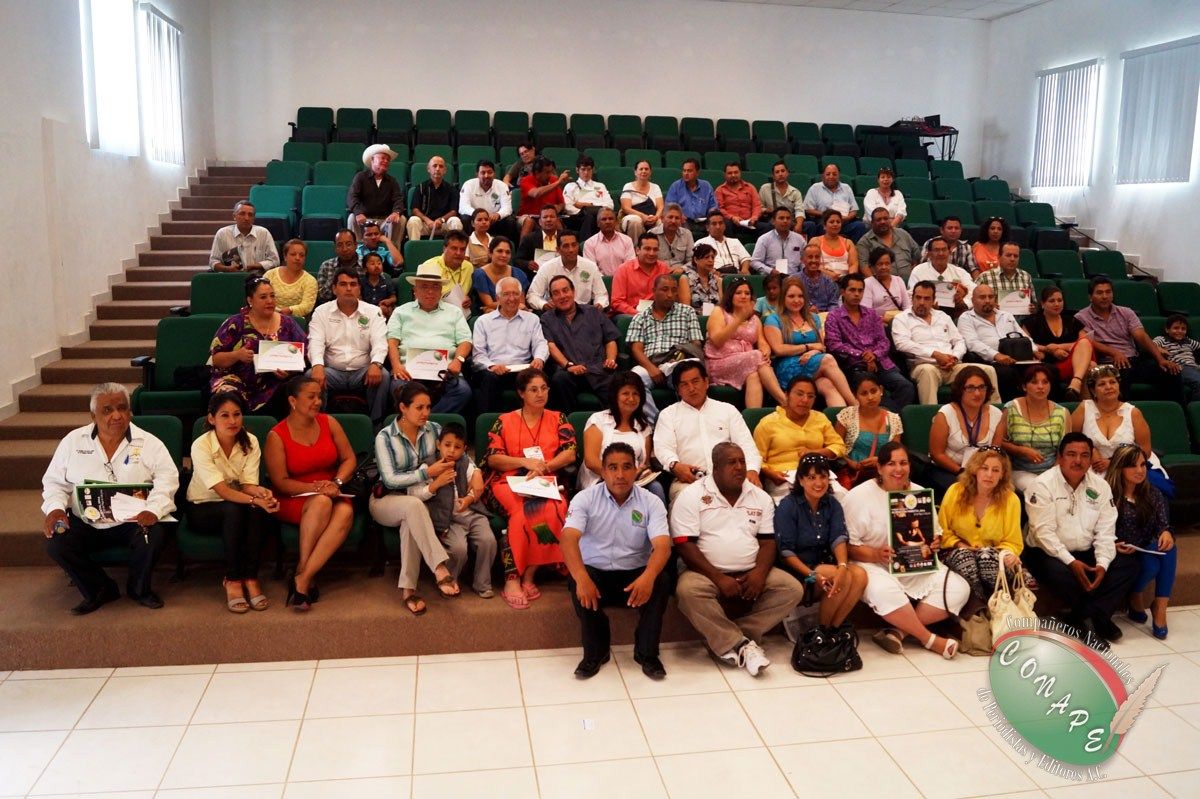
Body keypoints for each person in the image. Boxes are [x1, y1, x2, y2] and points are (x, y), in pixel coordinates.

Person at [41, 383, 179, 614]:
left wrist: (154, 509)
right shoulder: (73, 441)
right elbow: (55, 482)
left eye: (122, 408)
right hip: (86, 520)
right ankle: (100, 589)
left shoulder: (149, 443)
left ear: (130, 412)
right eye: (107, 410)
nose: (116, 415)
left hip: (134, 520)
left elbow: (168, 479)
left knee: (153, 536)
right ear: (93, 416)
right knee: (56, 543)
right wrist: (55, 509)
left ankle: (138, 589)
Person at [671, 443, 805, 676]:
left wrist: (759, 573)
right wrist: (718, 578)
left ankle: (730, 638)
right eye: (731, 462)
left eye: (742, 461)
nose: (739, 467)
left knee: (792, 589)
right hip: (705, 572)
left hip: (751, 569)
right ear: (716, 467)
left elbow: (768, 541)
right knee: (687, 592)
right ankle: (742, 644)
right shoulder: (691, 495)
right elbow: (685, 545)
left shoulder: (760, 497)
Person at [844, 441, 968, 657]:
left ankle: (898, 632)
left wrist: (934, 542)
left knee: (959, 588)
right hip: (872, 563)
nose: (898, 469)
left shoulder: (919, 494)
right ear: (879, 468)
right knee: (884, 591)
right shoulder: (858, 496)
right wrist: (875, 554)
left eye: (903, 463)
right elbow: (848, 546)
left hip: (914, 563)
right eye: (891, 464)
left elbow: (935, 533)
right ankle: (929, 639)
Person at [562, 442, 673, 679]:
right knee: (578, 578)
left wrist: (648, 577)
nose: (620, 474)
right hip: (596, 574)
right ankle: (596, 653)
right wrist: (581, 578)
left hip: (635, 578)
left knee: (661, 580)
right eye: (612, 467)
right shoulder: (584, 499)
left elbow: (663, 545)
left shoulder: (651, 502)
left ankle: (647, 654)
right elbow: (568, 539)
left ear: (636, 470)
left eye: (626, 467)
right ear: (603, 471)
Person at [1024, 433, 1140, 643]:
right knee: (1061, 574)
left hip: (1086, 550)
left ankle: (1087, 616)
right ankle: (1093, 620)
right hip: (1048, 552)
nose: (1078, 460)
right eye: (1071, 454)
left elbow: (1106, 531)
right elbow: (1044, 534)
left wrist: (1103, 563)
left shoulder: (1100, 486)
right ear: (1060, 458)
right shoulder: (1042, 485)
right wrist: (1071, 562)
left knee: (1128, 564)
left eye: (1084, 455)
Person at [370, 383, 469, 615]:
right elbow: (390, 480)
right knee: (412, 506)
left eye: (428, 407)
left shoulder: (434, 430)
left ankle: (408, 591)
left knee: (411, 516)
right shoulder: (385, 437)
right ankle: (439, 567)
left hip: (421, 498)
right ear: (403, 408)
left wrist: (473, 476)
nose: (426, 413)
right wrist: (427, 473)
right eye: (419, 407)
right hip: (386, 500)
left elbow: (457, 455)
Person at [482, 368, 577, 609]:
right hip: (507, 481)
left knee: (556, 508)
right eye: (533, 389)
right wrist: (524, 462)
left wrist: (545, 466)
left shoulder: (559, 418)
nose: (540, 394)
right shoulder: (504, 421)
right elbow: (493, 459)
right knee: (523, 512)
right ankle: (512, 578)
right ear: (521, 393)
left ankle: (529, 574)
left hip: (545, 480)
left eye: (544, 388)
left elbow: (570, 453)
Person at [264, 377, 356, 612]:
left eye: (319, 396)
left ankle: (303, 576)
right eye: (311, 397)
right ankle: (306, 573)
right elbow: (280, 482)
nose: (318, 401)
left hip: (331, 489)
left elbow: (349, 459)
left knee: (345, 511)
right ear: (293, 401)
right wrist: (316, 489)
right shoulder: (277, 435)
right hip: (293, 496)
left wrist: (336, 482)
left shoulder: (329, 422)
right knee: (322, 502)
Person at [187, 392, 277, 612]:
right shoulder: (201, 445)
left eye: (237, 414)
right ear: (211, 418)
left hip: (237, 504)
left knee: (254, 510)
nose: (232, 421)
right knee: (236, 508)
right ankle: (233, 579)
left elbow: (247, 485)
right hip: (202, 508)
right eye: (225, 415)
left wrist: (262, 493)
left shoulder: (251, 441)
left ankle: (251, 577)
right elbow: (223, 491)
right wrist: (254, 500)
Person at [405, 421, 496, 600]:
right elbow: (413, 493)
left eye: (457, 447)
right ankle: (450, 579)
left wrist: (468, 499)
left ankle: (482, 583)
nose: (452, 451)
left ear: (464, 449)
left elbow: (475, 488)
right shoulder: (428, 465)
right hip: (450, 520)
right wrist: (435, 485)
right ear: (438, 445)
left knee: (488, 541)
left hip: (472, 514)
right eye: (447, 445)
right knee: (458, 549)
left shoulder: (466, 464)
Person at [775, 455, 869, 628]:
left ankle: (834, 630)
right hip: (800, 572)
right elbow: (786, 553)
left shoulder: (833, 504)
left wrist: (842, 565)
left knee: (860, 575)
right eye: (811, 477)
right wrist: (813, 575)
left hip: (824, 565)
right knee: (840, 576)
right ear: (801, 480)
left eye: (823, 476)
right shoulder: (788, 506)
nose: (818, 483)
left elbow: (838, 538)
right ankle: (822, 630)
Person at [655, 361, 761, 501]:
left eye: (695, 381)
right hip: (689, 481)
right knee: (690, 502)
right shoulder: (668, 415)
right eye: (684, 384)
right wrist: (674, 465)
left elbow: (746, 445)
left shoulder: (727, 410)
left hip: (730, 478)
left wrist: (752, 470)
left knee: (758, 500)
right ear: (678, 390)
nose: (691, 388)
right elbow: (663, 447)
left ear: (706, 382)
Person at [1105, 444, 1176, 640]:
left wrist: (1166, 532)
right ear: (1119, 468)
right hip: (1120, 552)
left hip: (1144, 547)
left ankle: (1160, 607)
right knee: (1152, 566)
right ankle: (1134, 595)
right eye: (1132, 466)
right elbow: (1096, 530)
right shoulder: (1107, 493)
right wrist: (1112, 544)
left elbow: (1163, 524)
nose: (1140, 470)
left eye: (1143, 465)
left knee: (1169, 547)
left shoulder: (1152, 492)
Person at [209, 276, 308, 415]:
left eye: (272, 296)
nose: (270, 301)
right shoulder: (235, 323)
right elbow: (215, 359)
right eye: (263, 297)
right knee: (227, 395)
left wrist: (288, 371)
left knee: (295, 391)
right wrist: (237, 355)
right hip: (236, 380)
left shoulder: (288, 323)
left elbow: (304, 354)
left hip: (275, 384)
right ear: (250, 300)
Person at [892, 281, 999, 405]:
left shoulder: (942, 316)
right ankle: (931, 414)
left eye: (927, 298)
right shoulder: (902, 318)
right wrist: (936, 355)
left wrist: (954, 357)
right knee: (927, 371)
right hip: (923, 365)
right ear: (912, 298)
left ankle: (995, 412)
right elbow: (902, 343)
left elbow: (959, 340)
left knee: (988, 370)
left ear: (933, 300)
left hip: (952, 366)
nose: (922, 302)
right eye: (918, 297)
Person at [385, 263, 473, 414]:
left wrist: (458, 361)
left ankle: (426, 420)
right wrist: (396, 365)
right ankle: (423, 420)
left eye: (435, 287)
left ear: (441, 291)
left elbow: (465, 341)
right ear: (415, 290)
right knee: (397, 388)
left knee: (463, 391)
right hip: (408, 371)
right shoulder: (401, 312)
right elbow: (391, 341)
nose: (430, 291)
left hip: (445, 372)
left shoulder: (455, 312)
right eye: (424, 287)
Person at [937, 449, 1023, 603]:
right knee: (965, 557)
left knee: (985, 557)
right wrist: (960, 545)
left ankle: (994, 603)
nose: (989, 474)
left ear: (1002, 474)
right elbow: (942, 530)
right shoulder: (955, 491)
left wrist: (1008, 554)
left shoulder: (1011, 500)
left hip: (994, 555)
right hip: (958, 551)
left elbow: (1013, 542)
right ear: (975, 469)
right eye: (984, 468)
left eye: (995, 470)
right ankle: (981, 603)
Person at [1075, 276, 1181, 399]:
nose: (1105, 296)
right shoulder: (1081, 317)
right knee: (1121, 377)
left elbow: (1141, 336)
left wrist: (1160, 359)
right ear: (1090, 297)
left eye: (1108, 292)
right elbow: (1087, 342)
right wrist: (1114, 353)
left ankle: (1176, 410)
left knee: (1171, 372)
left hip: (1134, 360)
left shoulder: (1126, 312)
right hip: (1107, 364)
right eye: (1099, 293)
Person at [308, 267, 391, 423]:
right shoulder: (321, 312)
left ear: (359, 289)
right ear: (334, 289)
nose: (348, 288)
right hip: (332, 371)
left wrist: (376, 364)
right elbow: (316, 342)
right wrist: (317, 365)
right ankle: (317, 424)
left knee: (384, 375)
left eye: (353, 284)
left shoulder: (373, 311)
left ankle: (376, 424)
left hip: (363, 371)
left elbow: (380, 342)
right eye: (343, 284)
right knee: (310, 377)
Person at [824, 273, 917, 413]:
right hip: (855, 366)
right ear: (843, 291)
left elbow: (883, 341)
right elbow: (834, 344)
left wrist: (874, 355)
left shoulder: (872, 314)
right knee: (874, 393)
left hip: (881, 362)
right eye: (852, 290)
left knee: (906, 387)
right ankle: (885, 419)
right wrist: (862, 355)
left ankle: (890, 419)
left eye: (860, 290)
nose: (857, 294)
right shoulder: (834, 317)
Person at [763, 276, 856, 407]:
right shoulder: (774, 319)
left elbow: (821, 346)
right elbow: (779, 349)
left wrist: (813, 352)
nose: (797, 300)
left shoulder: (813, 318)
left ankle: (841, 418)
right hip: (788, 368)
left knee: (828, 385)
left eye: (800, 296)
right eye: (791, 296)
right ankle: (855, 405)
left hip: (813, 362)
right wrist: (808, 347)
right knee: (828, 360)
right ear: (783, 298)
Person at [753, 376, 847, 500]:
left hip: (817, 474)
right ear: (787, 395)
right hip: (784, 477)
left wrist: (815, 453)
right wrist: (770, 473)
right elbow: (755, 457)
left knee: (843, 497)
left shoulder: (820, 418)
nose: (805, 400)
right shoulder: (768, 423)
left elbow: (839, 446)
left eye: (810, 396)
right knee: (799, 503)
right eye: (799, 394)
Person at [1073, 365, 1169, 485]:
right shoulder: (1084, 408)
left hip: (1128, 466)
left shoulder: (1133, 412)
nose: (1108, 387)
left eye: (1112, 382)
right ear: (1093, 391)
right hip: (1094, 467)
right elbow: (1070, 440)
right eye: (1102, 384)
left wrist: (1114, 462)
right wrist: (1090, 450)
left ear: (1118, 386)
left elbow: (1145, 450)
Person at [579, 372, 665, 504]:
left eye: (635, 394)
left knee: (656, 487)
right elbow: (591, 461)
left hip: (635, 481)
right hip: (601, 479)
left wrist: (641, 472)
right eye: (625, 393)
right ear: (615, 396)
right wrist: (619, 477)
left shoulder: (644, 426)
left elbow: (645, 463)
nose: (631, 398)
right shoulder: (598, 420)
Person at [705, 276, 787, 408]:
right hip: (719, 362)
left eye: (747, 293)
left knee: (754, 375)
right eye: (738, 293)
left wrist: (765, 351)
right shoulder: (719, 312)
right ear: (730, 295)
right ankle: (784, 401)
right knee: (756, 356)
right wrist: (739, 319)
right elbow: (717, 340)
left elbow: (762, 342)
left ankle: (752, 417)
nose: (743, 296)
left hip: (746, 362)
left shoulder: (754, 319)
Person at [541, 275, 620, 409]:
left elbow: (610, 339)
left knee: (617, 385)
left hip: (598, 369)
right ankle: (568, 421)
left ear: (573, 291)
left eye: (565, 290)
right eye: (556, 293)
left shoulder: (593, 312)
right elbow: (551, 346)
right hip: (569, 372)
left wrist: (611, 359)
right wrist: (568, 365)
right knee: (559, 379)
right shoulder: (547, 319)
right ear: (552, 298)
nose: (562, 296)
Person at [472, 276, 549, 412]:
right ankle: (491, 422)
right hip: (494, 371)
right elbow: (479, 355)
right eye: (506, 294)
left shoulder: (532, 319)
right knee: (489, 379)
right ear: (498, 297)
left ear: (521, 296)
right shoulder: (483, 321)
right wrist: (492, 366)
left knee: (539, 377)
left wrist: (539, 358)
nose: (512, 298)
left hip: (522, 371)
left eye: (515, 294)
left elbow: (540, 343)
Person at [927, 366, 1004, 496]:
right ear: (960, 390)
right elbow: (937, 454)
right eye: (970, 388)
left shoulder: (996, 414)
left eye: (982, 387)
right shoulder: (946, 413)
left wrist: (982, 473)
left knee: (1005, 491)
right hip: (948, 470)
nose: (977, 393)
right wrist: (962, 471)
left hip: (983, 471)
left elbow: (994, 453)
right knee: (965, 491)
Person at [627, 275, 703, 406]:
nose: (670, 295)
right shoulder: (640, 317)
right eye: (665, 289)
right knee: (634, 381)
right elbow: (636, 349)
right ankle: (653, 417)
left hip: (678, 361)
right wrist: (651, 369)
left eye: (674, 290)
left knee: (688, 376)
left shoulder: (687, 312)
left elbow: (696, 343)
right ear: (654, 291)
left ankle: (686, 416)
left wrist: (682, 356)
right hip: (650, 363)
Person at [997, 364, 1072, 494]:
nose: (1040, 386)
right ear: (1024, 386)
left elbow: (1065, 449)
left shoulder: (1062, 412)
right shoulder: (1011, 408)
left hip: (1053, 469)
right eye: (1034, 382)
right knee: (1038, 489)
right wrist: (1022, 450)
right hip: (1020, 470)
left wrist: (1055, 473)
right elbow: (999, 442)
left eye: (1045, 382)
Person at [958, 283, 1039, 400]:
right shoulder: (966, 318)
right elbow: (972, 343)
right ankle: (1012, 407)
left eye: (990, 297)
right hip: (989, 362)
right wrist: (996, 355)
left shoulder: (1006, 315)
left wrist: (1034, 350)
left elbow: (1023, 336)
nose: (987, 300)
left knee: (1048, 369)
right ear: (973, 300)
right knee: (1007, 373)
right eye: (982, 297)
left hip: (1018, 359)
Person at [1023, 284, 1093, 400]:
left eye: (1060, 300)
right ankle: (1083, 401)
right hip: (1048, 364)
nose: (1057, 304)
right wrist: (1049, 350)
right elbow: (1026, 344)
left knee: (1085, 344)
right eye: (1052, 301)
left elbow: (1086, 341)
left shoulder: (1071, 320)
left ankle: (1076, 383)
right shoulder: (1032, 321)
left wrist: (1058, 346)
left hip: (1073, 361)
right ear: (1042, 303)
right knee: (1090, 366)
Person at [834, 374, 904, 488]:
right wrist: (851, 463)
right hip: (851, 476)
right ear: (855, 395)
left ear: (881, 390)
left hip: (884, 476)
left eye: (873, 391)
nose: (870, 397)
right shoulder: (846, 415)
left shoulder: (894, 419)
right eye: (864, 393)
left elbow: (896, 454)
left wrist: (880, 461)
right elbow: (835, 449)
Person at [526, 230, 607, 310]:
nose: (571, 250)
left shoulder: (590, 266)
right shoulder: (547, 267)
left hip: (583, 312)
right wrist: (544, 304)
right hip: (556, 312)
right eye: (566, 246)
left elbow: (601, 294)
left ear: (578, 246)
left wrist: (599, 304)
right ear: (558, 250)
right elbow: (532, 295)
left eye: (574, 245)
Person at [610, 234, 688, 316]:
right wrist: (638, 314)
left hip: (659, 313)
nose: (651, 253)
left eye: (655, 249)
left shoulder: (663, 268)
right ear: (637, 250)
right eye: (647, 249)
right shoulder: (624, 269)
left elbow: (668, 295)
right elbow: (617, 302)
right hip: (631, 315)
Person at [348, 144, 406, 246]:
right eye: (383, 158)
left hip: (385, 221)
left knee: (401, 219)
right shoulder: (360, 177)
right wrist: (358, 213)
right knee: (352, 217)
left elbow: (398, 199)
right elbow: (352, 197)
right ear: (372, 160)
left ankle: (394, 250)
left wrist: (396, 212)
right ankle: (357, 251)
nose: (386, 161)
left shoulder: (392, 181)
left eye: (388, 160)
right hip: (365, 220)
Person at [908, 237, 974, 318]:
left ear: (949, 252)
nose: (941, 253)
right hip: (924, 313)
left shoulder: (960, 272)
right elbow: (911, 295)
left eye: (944, 250)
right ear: (929, 254)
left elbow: (974, 291)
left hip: (955, 313)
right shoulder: (918, 271)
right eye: (936, 250)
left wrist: (964, 302)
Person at [210, 200, 280, 273]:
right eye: (242, 214)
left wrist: (256, 266)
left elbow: (275, 261)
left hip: (257, 277)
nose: (246, 218)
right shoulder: (222, 234)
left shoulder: (264, 233)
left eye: (250, 215)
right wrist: (227, 269)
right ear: (234, 216)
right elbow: (213, 262)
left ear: (254, 218)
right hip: (231, 276)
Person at [406, 155, 463, 242]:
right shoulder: (420, 188)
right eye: (434, 166)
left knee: (455, 221)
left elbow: (453, 211)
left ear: (445, 171)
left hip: (443, 224)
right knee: (413, 220)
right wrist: (427, 221)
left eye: (441, 166)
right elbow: (415, 209)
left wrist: (441, 220)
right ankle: (415, 248)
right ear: (428, 169)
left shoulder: (452, 189)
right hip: (425, 224)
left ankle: (455, 247)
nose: (437, 169)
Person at [802, 164, 866, 240]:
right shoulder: (815, 188)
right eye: (828, 174)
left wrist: (847, 218)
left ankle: (851, 247)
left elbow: (854, 210)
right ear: (823, 176)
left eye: (834, 174)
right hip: (824, 222)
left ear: (839, 176)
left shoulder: (846, 188)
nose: (831, 176)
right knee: (821, 226)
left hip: (844, 222)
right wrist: (827, 215)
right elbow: (808, 209)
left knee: (860, 226)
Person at [856, 208, 922, 281]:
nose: (883, 222)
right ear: (872, 223)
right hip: (881, 284)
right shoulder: (864, 242)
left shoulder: (903, 234)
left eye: (885, 218)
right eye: (879, 220)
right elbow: (864, 267)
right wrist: (876, 284)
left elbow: (917, 255)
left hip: (910, 283)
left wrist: (915, 273)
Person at [459, 159, 516, 238]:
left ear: (494, 174)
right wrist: (479, 216)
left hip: (494, 221)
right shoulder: (468, 185)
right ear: (477, 174)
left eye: (490, 172)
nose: (486, 175)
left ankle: (505, 243)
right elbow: (463, 207)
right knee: (465, 218)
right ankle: (469, 242)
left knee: (510, 220)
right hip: (476, 221)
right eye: (483, 173)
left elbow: (507, 208)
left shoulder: (502, 186)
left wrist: (498, 214)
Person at [977, 242, 1035, 319]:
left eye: (1016, 256)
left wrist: (1032, 308)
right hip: (993, 322)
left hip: (1022, 323)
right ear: (999, 257)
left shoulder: (1026, 277)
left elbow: (1034, 303)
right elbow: (973, 303)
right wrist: (990, 307)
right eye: (1008, 255)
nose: (1012, 259)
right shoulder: (985, 277)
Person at [472, 237, 530, 313]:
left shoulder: (519, 274)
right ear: (490, 253)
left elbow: (521, 305)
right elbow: (489, 304)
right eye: (500, 251)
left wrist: (491, 306)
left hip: (515, 314)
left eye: (508, 252)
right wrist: (513, 304)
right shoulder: (480, 274)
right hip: (488, 316)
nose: (504, 255)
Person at [562, 154, 612, 241]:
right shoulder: (571, 186)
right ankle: (586, 245)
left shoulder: (600, 186)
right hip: (577, 218)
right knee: (589, 217)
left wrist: (588, 205)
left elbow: (610, 205)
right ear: (577, 170)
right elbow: (568, 206)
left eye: (589, 169)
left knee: (604, 218)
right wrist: (582, 211)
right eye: (583, 169)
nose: (586, 173)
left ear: (593, 170)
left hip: (598, 216)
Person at [264, 239, 318, 318]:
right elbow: (261, 298)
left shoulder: (310, 280)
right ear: (285, 256)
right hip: (268, 316)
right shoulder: (270, 275)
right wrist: (276, 312)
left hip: (295, 320)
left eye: (301, 255)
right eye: (293, 254)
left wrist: (290, 310)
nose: (297, 258)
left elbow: (307, 306)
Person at [421, 230, 473, 311]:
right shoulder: (429, 266)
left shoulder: (469, 268)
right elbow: (420, 297)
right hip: (433, 311)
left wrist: (468, 301)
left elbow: (468, 295)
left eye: (462, 249)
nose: (458, 253)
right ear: (444, 248)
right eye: (454, 248)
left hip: (459, 314)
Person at [1153, 314, 1200, 404]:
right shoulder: (1162, 339)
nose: (1180, 331)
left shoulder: (1188, 341)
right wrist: (1159, 349)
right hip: (1180, 368)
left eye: (1183, 329)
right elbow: (1151, 345)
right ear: (1167, 330)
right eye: (1176, 328)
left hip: (1195, 367)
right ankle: (1194, 408)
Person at [516, 157, 568, 237]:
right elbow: (536, 193)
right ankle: (523, 245)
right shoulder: (526, 180)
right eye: (547, 172)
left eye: (551, 171)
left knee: (555, 221)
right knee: (529, 221)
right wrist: (557, 183)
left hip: (547, 216)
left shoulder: (553, 180)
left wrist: (556, 209)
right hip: (528, 216)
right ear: (537, 173)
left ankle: (563, 244)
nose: (550, 175)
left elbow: (561, 203)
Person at [664, 158, 717, 232]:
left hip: (704, 220)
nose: (686, 173)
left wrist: (711, 215)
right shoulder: (676, 186)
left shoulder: (706, 186)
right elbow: (670, 206)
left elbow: (713, 206)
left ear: (697, 173)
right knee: (681, 225)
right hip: (684, 221)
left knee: (717, 223)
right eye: (684, 170)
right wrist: (680, 215)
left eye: (689, 171)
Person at [750, 206, 806, 275]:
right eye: (781, 218)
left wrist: (802, 273)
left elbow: (804, 261)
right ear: (773, 221)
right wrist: (770, 271)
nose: (785, 221)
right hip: (772, 277)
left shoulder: (799, 239)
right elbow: (754, 262)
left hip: (794, 277)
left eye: (788, 218)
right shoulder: (764, 239)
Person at [696, 211, 754, 275]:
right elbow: (698, 264)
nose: (718, 227)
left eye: (720, 223)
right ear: (707, 227)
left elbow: (745, 258)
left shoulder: (735, 241)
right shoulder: (701, 243)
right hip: (714, 275)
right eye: (714, 224)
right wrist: (712, 272)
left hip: (736, 275)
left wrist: (744, 269)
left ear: (725, 226)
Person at [316, 229, 365, 305]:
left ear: (355, 245)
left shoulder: (366, 264)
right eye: (340, 245)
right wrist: (335, 277)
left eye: (348, 244)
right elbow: (321, 296)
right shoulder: (326, 265)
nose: (344, 249)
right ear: (335, 248)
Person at [715, 162, 765, 235]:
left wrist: (754, 218)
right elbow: (720, 209)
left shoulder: (750, 187)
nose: (733, 175)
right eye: (730, 173)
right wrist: (732, 217)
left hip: (749, 222)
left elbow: (757, 206)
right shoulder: (720, 190)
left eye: (736, 172)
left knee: (769, 227)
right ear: (725, 175)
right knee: (726, 225)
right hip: (731, 222)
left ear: (740, 173)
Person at [583, 207, 636, 277]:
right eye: (604, 219)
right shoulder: (589, 243)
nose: (608, 222)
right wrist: (607, 281)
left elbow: (630, 265)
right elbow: (591, 270)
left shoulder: (627, 240)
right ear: (598, 223)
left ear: (616, 222)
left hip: (623, 280)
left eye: (611, 219)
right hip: (600, 281)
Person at [619, 160, 663, 241]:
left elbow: (660, 207)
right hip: (632, 216)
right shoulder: (628, 186)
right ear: (635, 172)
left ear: (650, 172)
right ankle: (635, 247)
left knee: (660, 223)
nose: (644, 171)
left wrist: (656, 217)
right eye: (641, 169)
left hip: (652, 217)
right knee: (635, 221)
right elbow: (626, 208)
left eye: (646, 169)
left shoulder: (656, 187)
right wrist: (643, 216)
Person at [861, 247, 910, 319]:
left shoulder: (898, 280)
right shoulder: (868, 283)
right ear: (873, 266)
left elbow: (907, 306)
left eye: (887, 264)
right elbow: (866, 311)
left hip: (899, 321)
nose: (884, 267)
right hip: (876, 322)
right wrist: (883, 320)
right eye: (880, 264)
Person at [757, 161, 805, 229]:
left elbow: (799, 211)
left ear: (787, 173)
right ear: (773, 176)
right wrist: (766, 210)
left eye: (783, 171)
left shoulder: (795, 192)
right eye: (777, 172)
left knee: (810, 225)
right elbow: (758, 207)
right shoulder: (765, 188)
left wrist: (799, 225)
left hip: (789, 222)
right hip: (772, 223)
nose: (780, 174)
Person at [797, 242, 841, 312]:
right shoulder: (794, 280)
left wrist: (828, 315)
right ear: (802, 260)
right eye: (810, 257)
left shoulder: (829, 281)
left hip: (825, 316)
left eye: (817, 257)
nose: (814, 260)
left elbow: (833, 304)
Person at [515, 206, 562, 271]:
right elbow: (517, 261)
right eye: (545, 217)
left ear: (557, 220)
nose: (548, 220)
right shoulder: (529, 239)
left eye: (552, 217)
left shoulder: (566, 237)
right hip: (537, 275)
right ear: (540, 222)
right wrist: (527, 264)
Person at [682, 243, 721, 313]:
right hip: (694, 318)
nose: (711, 260)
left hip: (715, 317)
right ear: (696, 260)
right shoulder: (685, 279)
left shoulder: (718, 280)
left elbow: (722, 308)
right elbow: (685, 310)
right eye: (706, 257)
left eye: (712, 257)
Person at [655, 203, 695, 269]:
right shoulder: (652, 234)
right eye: (670, 217)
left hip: (681, 271)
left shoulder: (687, 234)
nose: (673, 221)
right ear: (662, 219)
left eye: (677, 218)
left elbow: (692, 260)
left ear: (681, 220)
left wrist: (683, 268)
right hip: (659, 270)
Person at [359, 252, 396, 318]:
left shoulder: (386, 281)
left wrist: (388, 301)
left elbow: (393, 298)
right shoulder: (361, 282)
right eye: (372, 264)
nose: (376, 266)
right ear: (365, 269)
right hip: (366, 309)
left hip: (382, 308)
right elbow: (359, 298)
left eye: (379, 263)